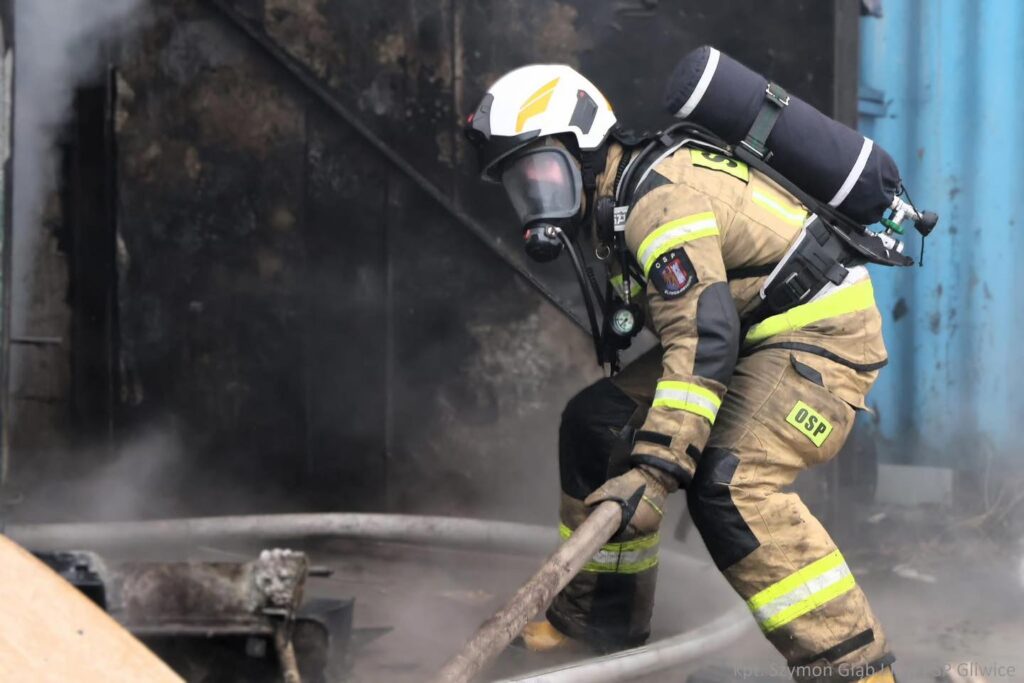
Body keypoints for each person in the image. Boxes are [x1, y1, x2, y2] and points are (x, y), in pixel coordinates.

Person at [465, 64, 897, 683]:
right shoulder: (616, 202)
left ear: (583, 146)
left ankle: (856, 669)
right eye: (520, 186)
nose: (535, 203)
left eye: (541, 174)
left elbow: (703, 338)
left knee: (730, 485)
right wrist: (647, 454)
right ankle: (599, 626)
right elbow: (703, 330)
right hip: (749, 329)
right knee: (597, 424)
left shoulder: (657, 201)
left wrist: (656, 468)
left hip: (819, 332)